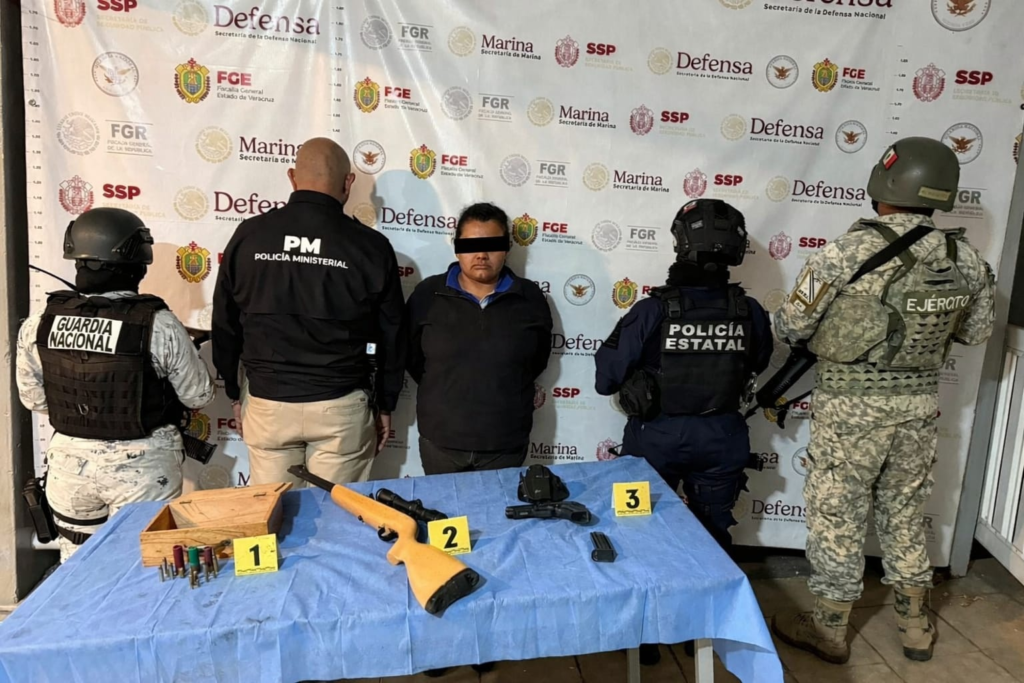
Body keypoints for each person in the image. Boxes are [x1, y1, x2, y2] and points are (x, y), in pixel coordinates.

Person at [771, 137, 996, 664]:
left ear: (884, 184)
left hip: (849, 411)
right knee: (905, 512)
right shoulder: (965, 257)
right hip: (918, 409)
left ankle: (829, 630)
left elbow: (791, 326)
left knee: (838, 516)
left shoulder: (844, 252)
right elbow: (976, 332)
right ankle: (915, 627)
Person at [594, 198, 773, 665]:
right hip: (722, 437)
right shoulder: (750, 310)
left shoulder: (653, 311)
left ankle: (646, 636)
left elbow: (606, 378)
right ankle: (705, 635)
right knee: (712, 537)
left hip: (657, 438)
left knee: (642, 532)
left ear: (681, 243)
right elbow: (758, 361)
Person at [16, 207, 215, 562]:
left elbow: (34, 399)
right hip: (143, 467)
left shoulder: (39, 323)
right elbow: (198, 394)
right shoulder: (159, 324)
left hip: (69, 466)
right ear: (138, 265)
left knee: (78, 566)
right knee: (144, 564)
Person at [213, 138, 405, 488]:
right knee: (336, 514)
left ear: (292, 177)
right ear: (348, 182)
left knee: (275, 511)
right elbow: (392, 334)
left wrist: (233, 392)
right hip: (341, 408)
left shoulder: (250, 236)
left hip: (268, 404)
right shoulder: (372, 247)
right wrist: (386, 404)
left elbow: (224, 325)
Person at [406, 202, 553, 475]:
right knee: (442, 504)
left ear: (506, 248)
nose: (482, 255)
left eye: (492, 245)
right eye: (472, 245)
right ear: (457, 248)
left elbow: (537, 360)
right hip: (441, 441)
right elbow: (412, 358)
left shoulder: (530, 298)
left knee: (498, 505)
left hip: (505, 443)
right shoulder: (428, 295)